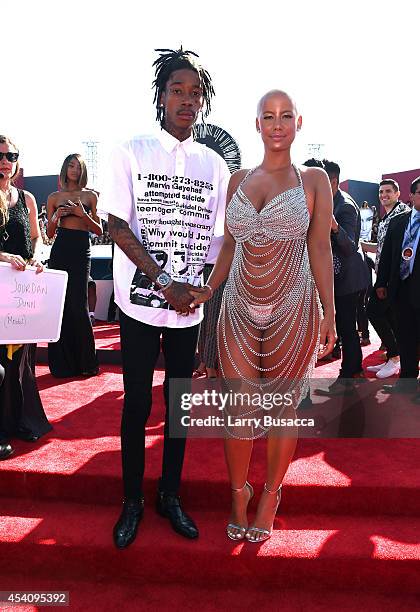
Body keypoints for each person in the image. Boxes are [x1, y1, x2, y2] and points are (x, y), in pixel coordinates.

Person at [98, 47, 230, 549]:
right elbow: (117, 225)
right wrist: (163, 282)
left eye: (195, 93)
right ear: (161, 95)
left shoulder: (213, 164)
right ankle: (132, 499)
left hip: (189, 308)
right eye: (178, 90)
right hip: (139, 303)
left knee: (179, 408)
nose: (187, 100)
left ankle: (169, 495)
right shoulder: (130, 151)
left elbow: (221, 237)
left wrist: (203, 289)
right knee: (135, 404)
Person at [190, 90, 336, 542]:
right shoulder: (237, 180)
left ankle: (270, 495)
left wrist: (331, 310)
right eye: (268, 116)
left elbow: (320, 245)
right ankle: (239, 493)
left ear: (298, 123)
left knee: (280, 411)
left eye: (286, 116)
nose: (277, 124)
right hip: (236, 304)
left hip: (293, 303)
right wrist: (207, 290)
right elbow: (229, 246)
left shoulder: (313, 180)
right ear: (257, 124)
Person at [0, 135, 52, 459]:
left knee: (18, 360)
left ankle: (18, 419)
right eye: (0, 154)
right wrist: (4, 257)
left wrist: (35, 257)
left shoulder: (28, 198)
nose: (6, 160)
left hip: (20, 292)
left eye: (11, 155)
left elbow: (36, 237)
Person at [46, 154, 102, 377]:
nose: (74, 170)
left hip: (81, 249)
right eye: (71, 165)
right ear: (64, 168)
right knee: (60, 305)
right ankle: (61, 365)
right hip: (60, 248)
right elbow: (49, 234)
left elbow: (98, 230)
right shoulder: (53, 197)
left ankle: (87, 363)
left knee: (79, 305)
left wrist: (82, 214)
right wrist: (56, 217)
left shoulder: (91, 196)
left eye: (79, 167)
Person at [375, 176, 420, 403]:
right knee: (405, 337)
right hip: (401, 290)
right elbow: (387, 257)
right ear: (411, 196)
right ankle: (407, 380)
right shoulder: (398, 221)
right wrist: (381, 282)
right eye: (419, 192)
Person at [361, 180, 410, 378]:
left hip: (394, 279)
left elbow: (399, 252)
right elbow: (381, 249)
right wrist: (360, 245)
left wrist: (387, 281)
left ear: (398, 193)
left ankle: (396, 356)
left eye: (388, 191)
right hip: (382, 277)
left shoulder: (402, 215)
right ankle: (393, 357)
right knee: (388, 317)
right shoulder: (386, 216)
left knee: (374, 312)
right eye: (381, 192)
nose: (384, 195)